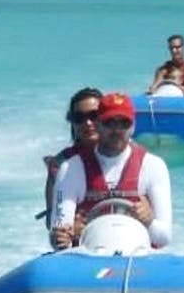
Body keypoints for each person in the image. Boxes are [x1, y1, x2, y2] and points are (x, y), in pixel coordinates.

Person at [50, 92, 172, 251]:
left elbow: (164, 238)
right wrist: (67, 235)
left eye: (124, 123)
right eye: (109, 123)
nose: (116, 130)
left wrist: (149, 221)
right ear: (98, 125)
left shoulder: (154, 166)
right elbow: (58, 238)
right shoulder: (70, 169)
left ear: (133, 127)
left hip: (138, 258)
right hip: (89, 259)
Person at [41, 87, 102, 231]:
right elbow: (52, 223)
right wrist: (69, 227)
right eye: (79, 118)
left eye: (94, 115)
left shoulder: (131, 157)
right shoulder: (59, 165)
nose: (87, 123)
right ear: (72, 123)